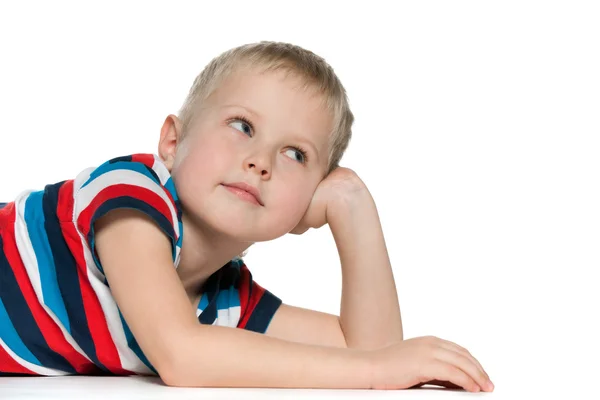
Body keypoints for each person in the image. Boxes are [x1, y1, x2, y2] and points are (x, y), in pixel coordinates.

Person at [0, 41, 493, 392]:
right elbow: (181, 355)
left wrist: (354, 207)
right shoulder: (127, 196)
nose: (261, 162)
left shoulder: (227, 300)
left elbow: (371, 349)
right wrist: (375, 371)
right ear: (172, 142)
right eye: (242, 125)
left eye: (295, 154)